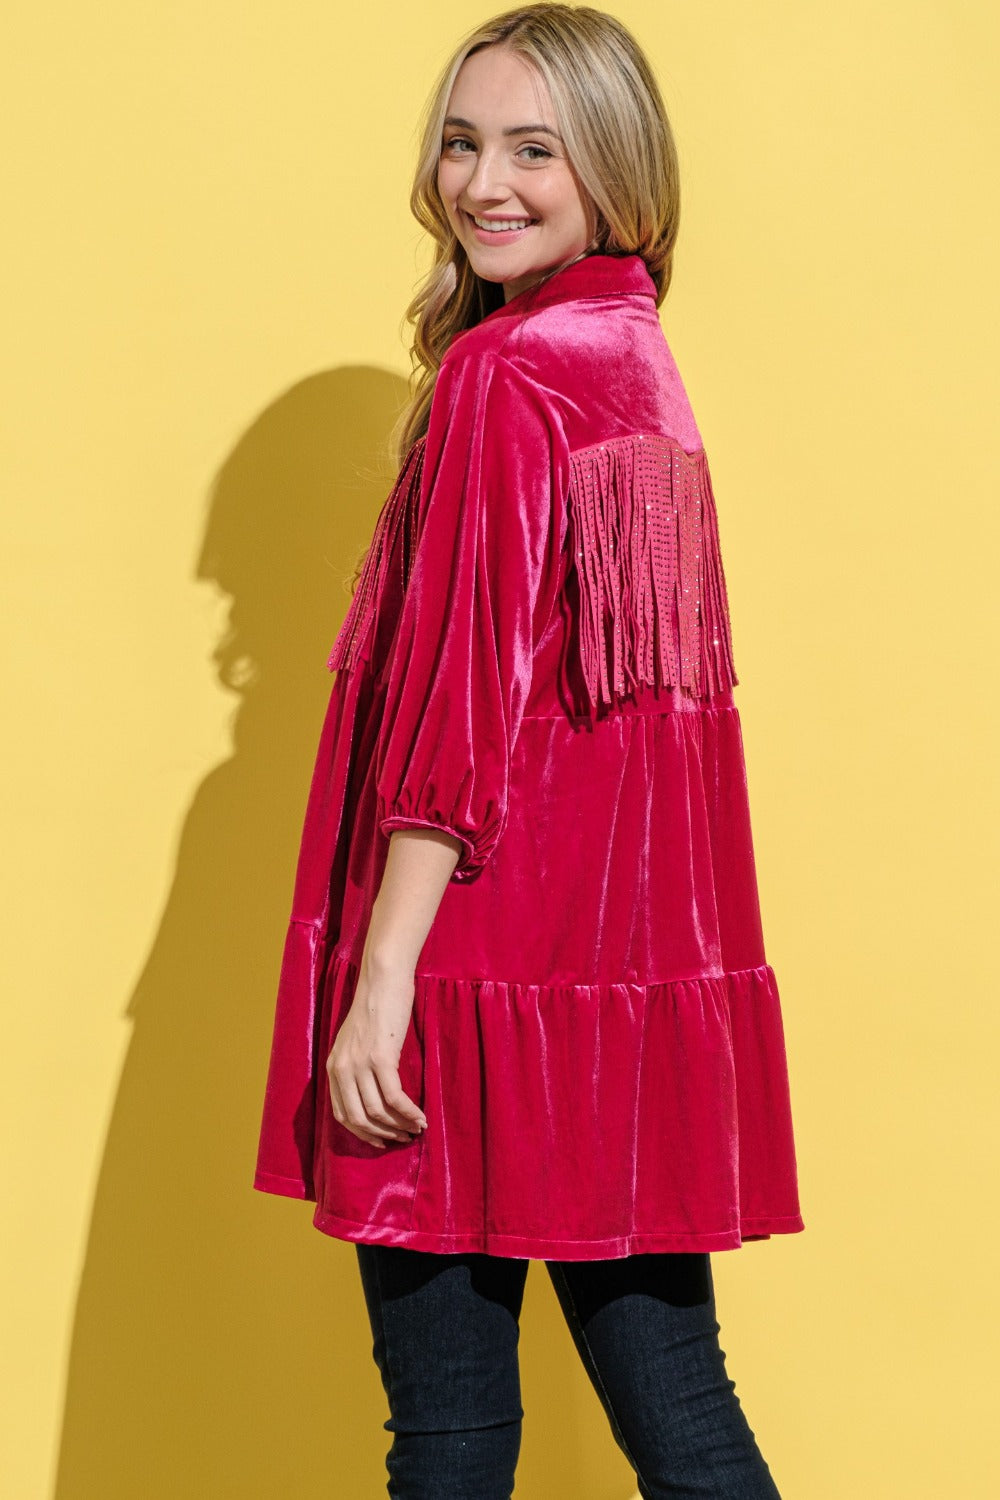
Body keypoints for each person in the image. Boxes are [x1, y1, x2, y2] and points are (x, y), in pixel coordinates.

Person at [253, 5, 805, 1496]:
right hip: (612, 989)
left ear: (614, 165)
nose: (484, 183)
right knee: (679, 1398)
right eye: (460, 142)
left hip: (469, 973)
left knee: (446, 1431)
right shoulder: (636, 363)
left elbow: (461, 709)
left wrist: (379, 987)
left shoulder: (508, 379)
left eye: (533, 150)